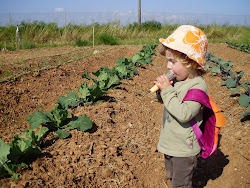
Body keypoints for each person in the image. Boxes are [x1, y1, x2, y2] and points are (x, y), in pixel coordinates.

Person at [153, 25, 208, 188]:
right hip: (172, 142)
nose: (168, 66)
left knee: (181, 183)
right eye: (167, 61)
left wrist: (168, 90)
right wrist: (161, 92)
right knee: (172, 175)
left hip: (184, 149)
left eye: (173, 61)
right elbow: (169, 103)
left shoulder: (197, 87)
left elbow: (184, 113)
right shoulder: (178, 80)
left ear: (190, 62)